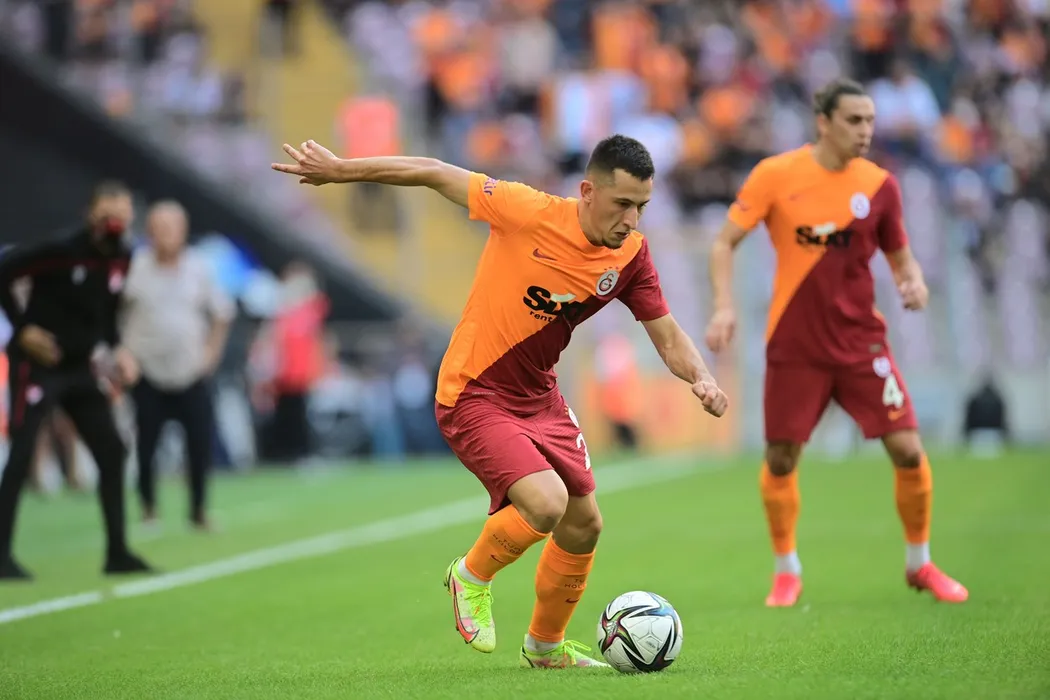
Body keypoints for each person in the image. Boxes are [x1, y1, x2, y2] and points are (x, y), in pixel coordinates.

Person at [272, 134, 728, 667]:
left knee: (584, 524)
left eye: (641, 207)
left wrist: (702, 378)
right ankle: (469, 576)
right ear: (587, 192)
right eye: (622, 203)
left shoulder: (630, 255)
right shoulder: (525, 210)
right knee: (547, 503)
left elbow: (667, 335)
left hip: (539, 395)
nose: (632, 220)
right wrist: (342, 170)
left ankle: (545, 648)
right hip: (473, 391)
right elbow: (432, 168)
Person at [704, 78, 968, 607]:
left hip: (860, 343)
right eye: (854, 120)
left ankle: (920, 563)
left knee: (908, 449)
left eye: (870, 121)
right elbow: (724, 242)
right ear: (823, 122)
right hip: (795, 344)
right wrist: (724, 306)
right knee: (781, 459)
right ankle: (787, 571)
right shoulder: (776, 175)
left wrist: (913, 282)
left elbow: (901, 257)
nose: (865, 130)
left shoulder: (880, 186)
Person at [0, 181, 154, 580]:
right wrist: (22, 328)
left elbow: (107, 310)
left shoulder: (122, 257)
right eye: (107, 213)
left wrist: (117, 349)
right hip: (38, 364)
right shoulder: (61, 251)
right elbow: (4, 270)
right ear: (90, 214)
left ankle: (117, 553)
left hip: (80, 367)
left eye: (121, 214)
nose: (114, 222)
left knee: (112, 450)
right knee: (22, 453)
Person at [121, 201, 234, 530]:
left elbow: (222, 313)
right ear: (149, 232)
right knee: (146, 445)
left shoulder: (198, 267)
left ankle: (198, 509)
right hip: (146, 370)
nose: (165, 235)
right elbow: (114, 314)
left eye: (171, 228)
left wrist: (211, 353)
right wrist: (123, 354)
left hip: (190, 370)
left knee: (199, 443)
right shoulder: (135, 267)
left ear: (183, 231)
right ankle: (148, 507)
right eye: (159, 228)